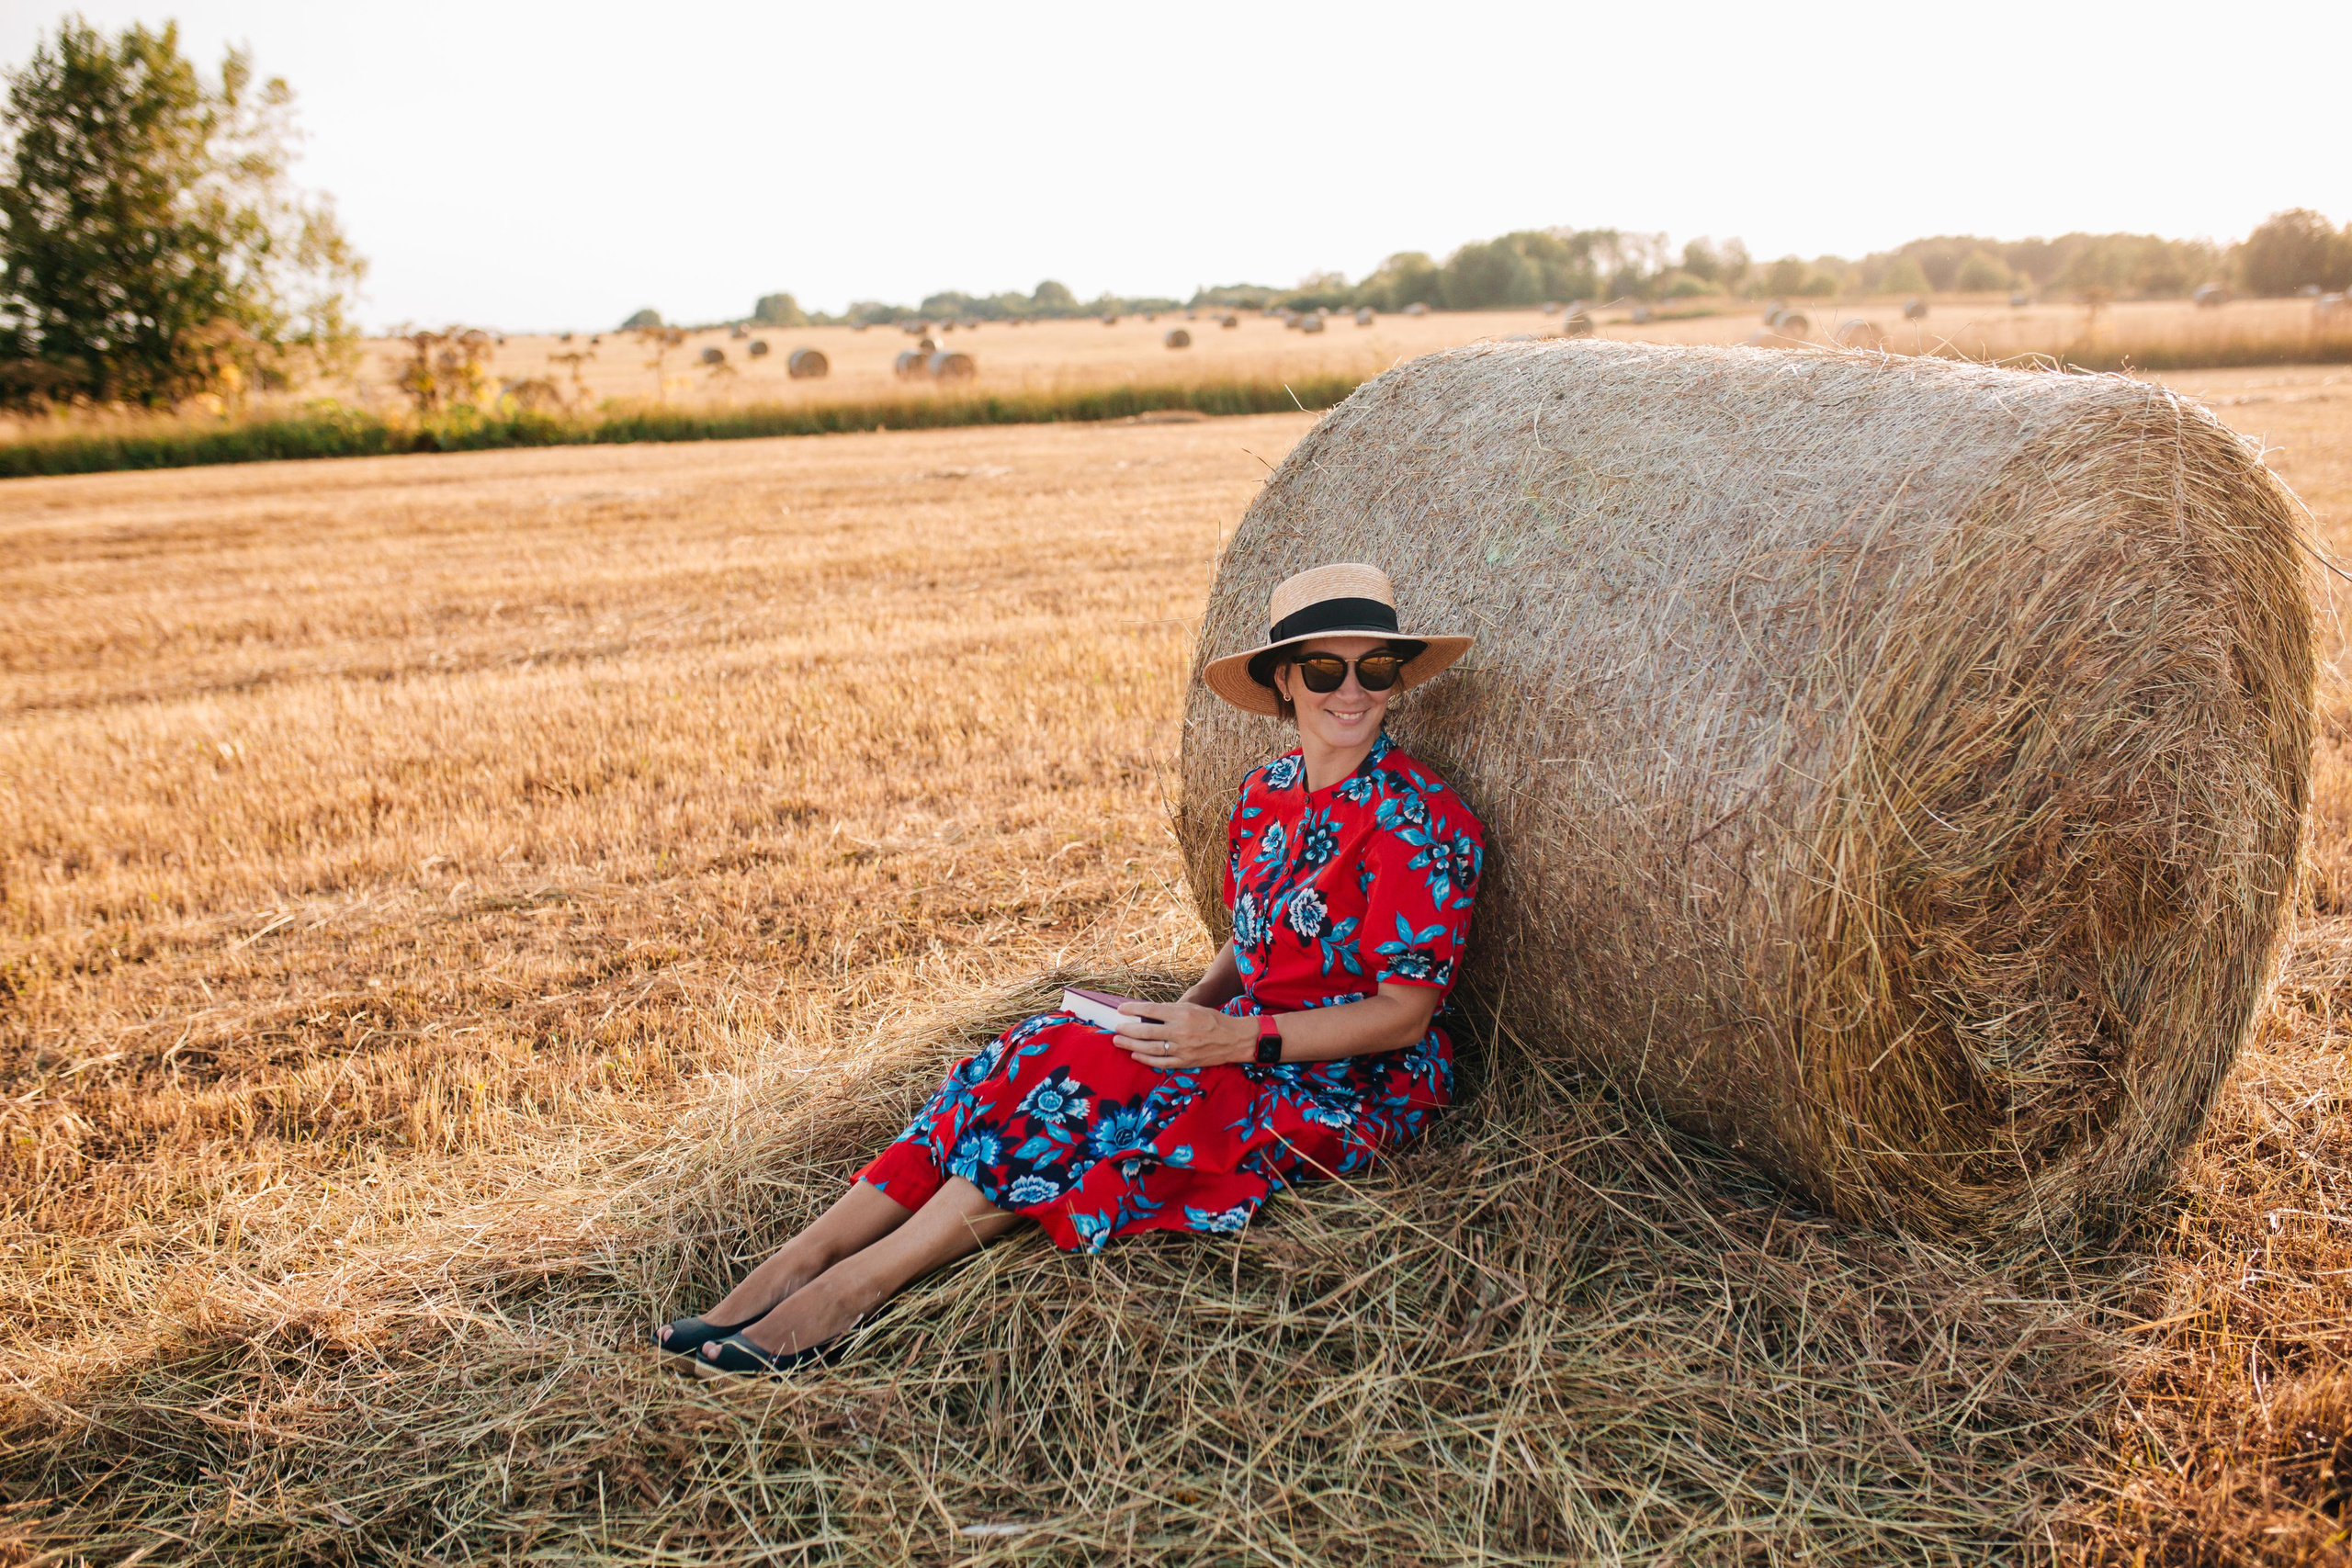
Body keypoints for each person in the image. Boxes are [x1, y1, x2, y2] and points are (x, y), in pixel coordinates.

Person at [656, 562, 1486, 1377]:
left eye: (1377, 668)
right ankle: (798, 1261)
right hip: (1242, 1039)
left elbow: (1405, 1013)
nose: (1353, 691)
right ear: (1284, 682)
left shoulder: (1418, 819)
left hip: (1349, 1080)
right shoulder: (1264, 794)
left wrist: (1234, 1039)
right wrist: (1182, 1012)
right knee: (1028, 1051)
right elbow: (1257, 933)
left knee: (1075, 1086)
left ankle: (843, 1295)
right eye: (1325, 669)